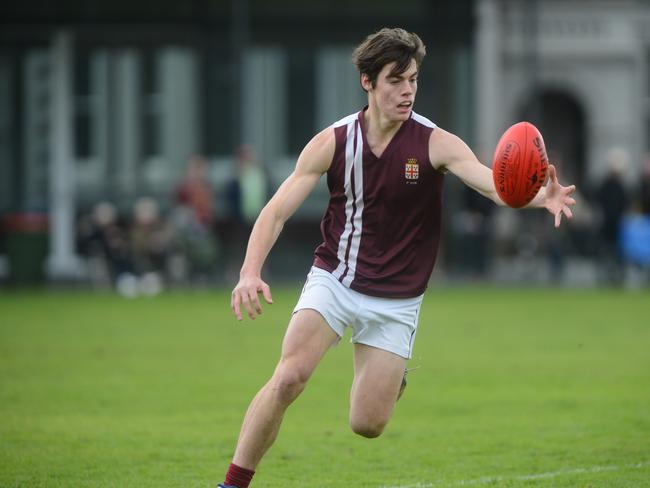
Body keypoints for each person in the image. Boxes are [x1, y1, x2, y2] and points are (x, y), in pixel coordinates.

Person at [219, 28, 576, 488]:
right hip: (336, 277)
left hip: (396, 299)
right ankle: (232, 483)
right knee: (289, 378)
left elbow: (493, 185)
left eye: (413, 79)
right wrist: (249, 271)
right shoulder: (333, 142)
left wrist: (536, 198)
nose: (407, 90)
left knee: (367, 424)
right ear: (367, 82)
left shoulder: (435, 142)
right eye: (395, 79)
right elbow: (276, 211)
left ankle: (392, 375)